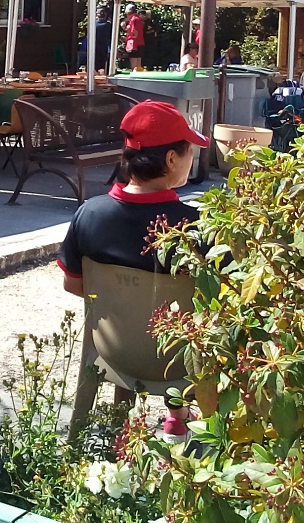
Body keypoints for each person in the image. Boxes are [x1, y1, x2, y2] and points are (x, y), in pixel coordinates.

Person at [57, 100, 208, 403]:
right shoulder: (196, 226)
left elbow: (72, 283)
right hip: (180, 359)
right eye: (188, 149)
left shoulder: (90, 213)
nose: (192, 156)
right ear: (170, 159)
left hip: (113, 352)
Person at [123, 3, 145, 70]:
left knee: (134, 66)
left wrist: (125, 28)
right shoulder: (139, 19)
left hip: (134, 44)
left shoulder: (133, 19)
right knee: (139, 65)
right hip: (141, 43)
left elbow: (134, 34)